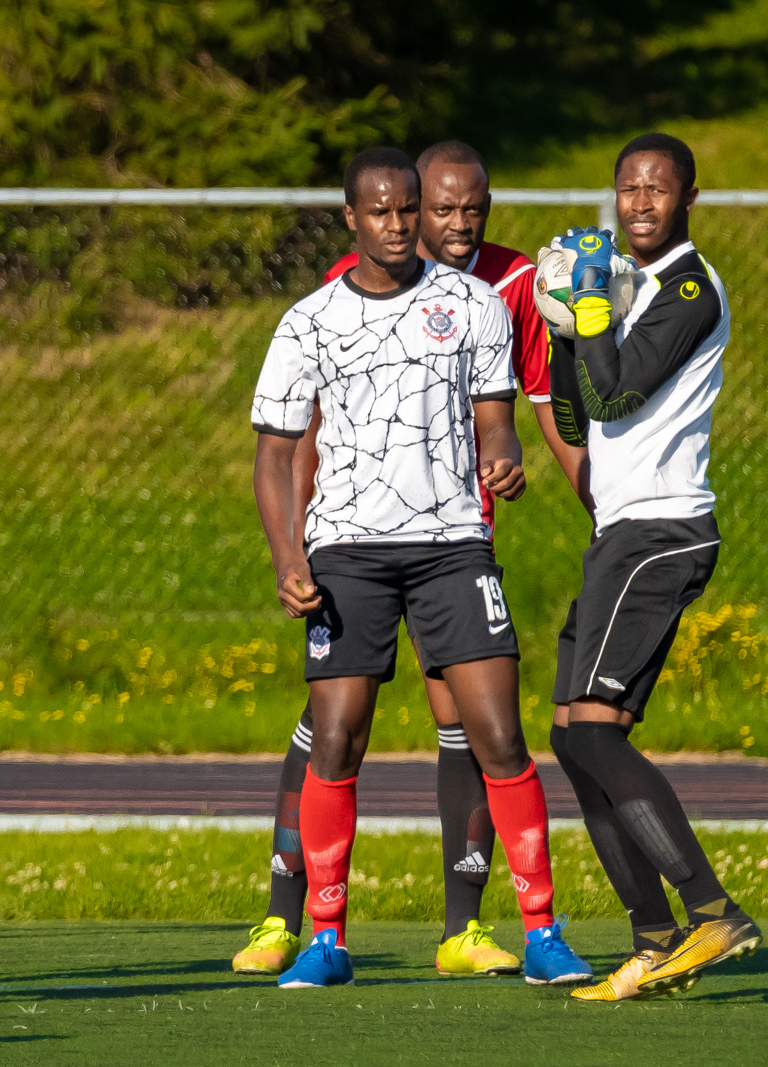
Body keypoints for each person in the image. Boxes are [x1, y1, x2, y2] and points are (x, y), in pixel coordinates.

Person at [233, 141, 594, 980]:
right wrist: (289, 555)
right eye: (386, 212)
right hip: (347, 553)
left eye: (410, 210)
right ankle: (324, 937)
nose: (401, 226)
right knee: (336, 739)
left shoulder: (474, 304)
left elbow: (496, 412)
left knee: (497, 734)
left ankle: (540, 931)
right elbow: (274, 453)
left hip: (452, 546)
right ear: (354, 218)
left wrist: (502, 453)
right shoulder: (309, 319)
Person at [546, 134, 761, 1003]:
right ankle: (654, 937)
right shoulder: (625, 292)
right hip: (623, 533)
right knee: (572, 735)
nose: (640, 202)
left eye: (657, 189)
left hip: (663, 531)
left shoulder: (686, 287)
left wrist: (591, 309)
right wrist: (563, 321)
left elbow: (623, 388)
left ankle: (714, 910)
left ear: (688, 199)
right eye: (628, 188)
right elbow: (575, 410)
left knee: (595, 730)